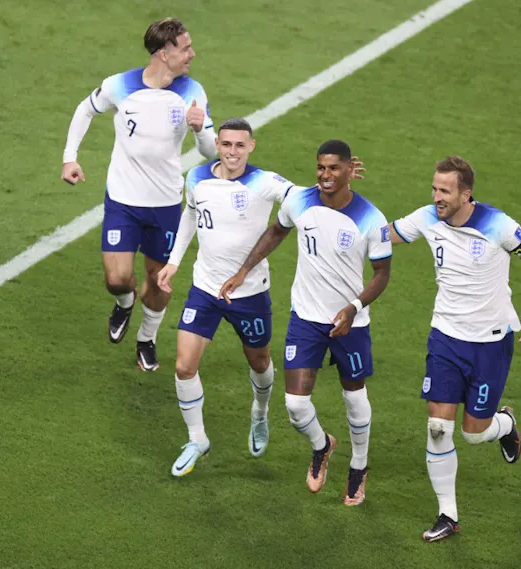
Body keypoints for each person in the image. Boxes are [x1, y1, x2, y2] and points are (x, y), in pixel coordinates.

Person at [157, 120, 367, 477]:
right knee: (183, 365)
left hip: (250, 293)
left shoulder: (264, 181)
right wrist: (174, 262)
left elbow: (307, 196)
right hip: (205, 289)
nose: (232, 152)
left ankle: (259, 411)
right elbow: (190, 215)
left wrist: (339, 178)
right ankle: (198, 438)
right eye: (226, 144)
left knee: (259, 361)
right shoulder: (196, 178)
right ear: (217, 144)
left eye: (240, 145)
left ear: (251, 146)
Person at [386, 155, 521, 542]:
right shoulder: (428, 217)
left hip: (490, 344)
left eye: (445, 191)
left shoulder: (498, 225)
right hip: (445, 338)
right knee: (437, 427)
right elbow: (382, 235)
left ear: (467, 194)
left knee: (474, 433)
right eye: (434, 188)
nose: (436, 197)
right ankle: (448, 514)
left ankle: (506, 423)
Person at [219, 140, 392, 506]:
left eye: (333, 168)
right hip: (306, 320)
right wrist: (243, 270)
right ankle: (321, 445)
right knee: (296, 407)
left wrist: (354, 306)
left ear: (349, 169)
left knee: (354, 397)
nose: (325, 175)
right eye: (321, 167)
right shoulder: (299, 201)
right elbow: (276, 231)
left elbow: (381, 274)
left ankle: (358, 467)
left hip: (351, 323)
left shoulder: (370, 218)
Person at [60, 18, 217, 371]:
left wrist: (199, 128)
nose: (193, 53)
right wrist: (70, 156)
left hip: (165, 205)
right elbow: (87, 108)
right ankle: (125, 302)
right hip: (123, 201)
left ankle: (146, 339)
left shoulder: (192, 91)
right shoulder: (121, 85)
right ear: (163, 53)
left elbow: (210, 151)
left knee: (159, 282)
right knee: (116, 279)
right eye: (185, 47)